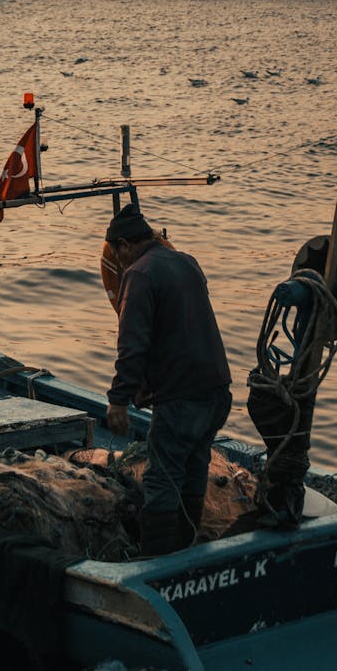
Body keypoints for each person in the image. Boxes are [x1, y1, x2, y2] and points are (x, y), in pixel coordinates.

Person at [104, 204, 231, 556]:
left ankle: (157, 562)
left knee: (162, 478)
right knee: (194, 465)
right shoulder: (187, 261)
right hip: (217, 390)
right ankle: (187, 550)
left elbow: (132, 346)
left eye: (118, 253)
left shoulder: (140, 274)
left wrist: (118, 400)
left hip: (181, 397)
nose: (119, 260)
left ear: (125, 245)